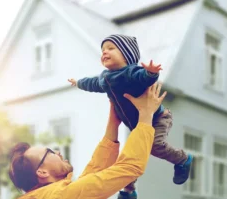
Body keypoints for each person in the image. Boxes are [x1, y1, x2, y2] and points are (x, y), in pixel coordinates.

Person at [68, 34, 193, 199]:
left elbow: (142, 78)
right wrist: (78, 83)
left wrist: (151, 73)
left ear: (127, 55)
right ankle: (128, 191)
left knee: (155, 146)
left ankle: (182, 159)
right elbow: (91, 83)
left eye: (111, 48)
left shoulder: (130, 72)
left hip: (158, 118)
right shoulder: (104, 78)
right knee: (129, 154)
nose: (105, 52)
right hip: (138, 124)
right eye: (103, 50)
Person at [9, 82, 167, 199]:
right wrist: (146, 114)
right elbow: (130, 167)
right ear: (42, 172)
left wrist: (113, 120)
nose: (57, 152)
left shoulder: (48, 195)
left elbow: (92, 176)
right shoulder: (60, 195)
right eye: (49, 152)